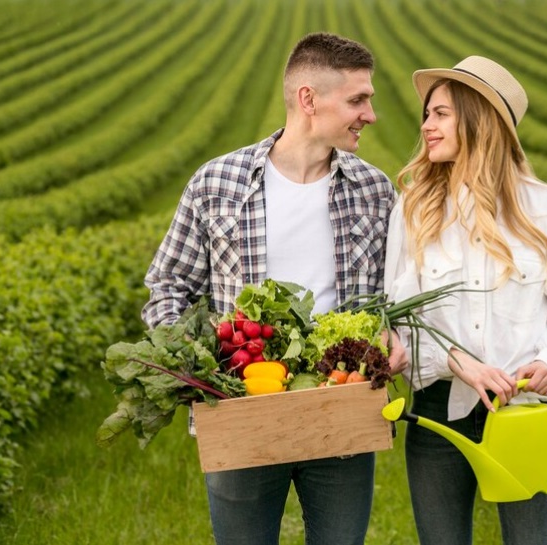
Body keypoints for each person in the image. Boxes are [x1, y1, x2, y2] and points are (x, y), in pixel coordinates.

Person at [142, 32, 407, 545]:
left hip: (341, 410)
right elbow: (168, 285)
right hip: (243, 409)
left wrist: (394, 338)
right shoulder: (217, 183)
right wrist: (197, 366)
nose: (370, 114)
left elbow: (392, 297)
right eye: (357, 100)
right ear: (308, 99)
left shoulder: (375, 190)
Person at [384, 56, 547, 544]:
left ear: (479, 117)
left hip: (527, 411)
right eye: (426, 114)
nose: (425, 125)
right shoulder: (414, 210)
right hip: (438, 413)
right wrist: (459, 361)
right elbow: (398, 323)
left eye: (440, 113)